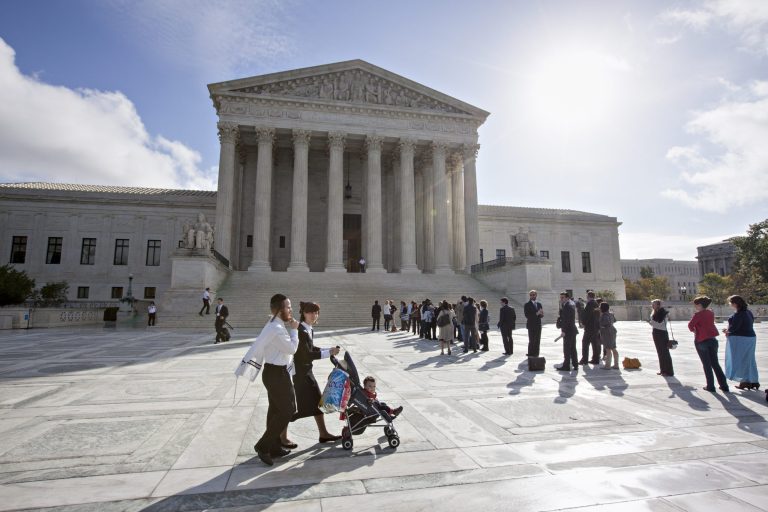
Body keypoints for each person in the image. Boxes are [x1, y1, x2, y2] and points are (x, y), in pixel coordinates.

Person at [281, 301, 342, 448]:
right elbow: (306, 354)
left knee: (317, 402)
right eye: (310, 312)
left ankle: (323, 434)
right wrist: (328, 353)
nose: (314, 315)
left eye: (316, 312)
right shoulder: (301, 330)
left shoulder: (308, 328)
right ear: (304, 313)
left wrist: (329, 349)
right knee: (297, 409)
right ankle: (281, 436)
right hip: (301, 374)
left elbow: (311, 347)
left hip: (307, 371)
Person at [253, 294, 300, 466]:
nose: (291, 310)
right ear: (280, 310)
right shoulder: (277, 329)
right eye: (288, 307)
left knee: (275, 410)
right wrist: (294, 329)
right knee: (288, 410)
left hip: (275, 372)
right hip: (276, 374)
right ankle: (263, 446)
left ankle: (273, 446)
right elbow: (291, 349)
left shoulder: (275, 324)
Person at [688, 296, 729, 393]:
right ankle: (724, 385)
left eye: (696, 305)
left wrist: (695, 331)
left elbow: (690, 325)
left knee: (706, 364)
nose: (695, 307)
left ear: (700, 305)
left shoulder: (698, 314)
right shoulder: (711, 313)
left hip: (701, 340)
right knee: (715, 363)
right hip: (712, 339)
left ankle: (710, 386)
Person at [723, 295, 759, 390]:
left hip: (741, 338)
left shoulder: (739, 314)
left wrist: (727, 331)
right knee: (749, 359)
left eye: (731, 303)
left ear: (735, 303)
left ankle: (744, 381)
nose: (730, 305)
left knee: (740, 360)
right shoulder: (748, 312)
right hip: (751, 337)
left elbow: (735, 328)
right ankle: (754, 380)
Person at [649, 299, 674, 377]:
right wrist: (652, 323)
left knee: (665, 352)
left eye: (654, 304)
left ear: (658, 305)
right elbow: (654, 323)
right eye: (652, 304)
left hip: (662, 333)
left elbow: (660, 324)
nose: (652, 305)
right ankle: (663, 370)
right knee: (660, 352)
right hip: (656, 332)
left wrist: (651, 323)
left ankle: (669, 371)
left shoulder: (663, 313)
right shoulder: (655, 313)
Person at [556, 292, 579, 372]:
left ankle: (566, 366)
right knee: (572, 348)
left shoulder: (567, 306)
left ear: (567, 298)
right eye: (560, 297)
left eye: (562, 297)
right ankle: (575, 365)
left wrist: (564, 331)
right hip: (572, 330)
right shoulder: (568, 305)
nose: (561, 299)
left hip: (568, 331)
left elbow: (567, 320)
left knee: (567, 349)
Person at [579, 291, 601, 365]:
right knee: (594, 343)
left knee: (585, 343)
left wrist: (583, 322)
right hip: (595, 327)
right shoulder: (596, 304)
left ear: (588, 296)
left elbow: (587, 315)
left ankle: (584, 359)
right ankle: (596, 359)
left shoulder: (590, 304)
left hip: (590, 327)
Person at [524, 290, 543, 357]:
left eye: (534, 294)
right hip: (531, 325)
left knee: (537, 340)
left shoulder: (539, 304)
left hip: (538, 324)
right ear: (530, 296)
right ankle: (530, 352)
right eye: (531, 295)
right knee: (531, 340)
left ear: (536, 295)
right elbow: (527, 315)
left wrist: (541, 314)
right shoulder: (527, 305)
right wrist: (536, 314)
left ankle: (536, 353)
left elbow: (541, 316)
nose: (532, 296)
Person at [599, 302, 619, 369]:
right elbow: (615, 320)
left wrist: (601, 325)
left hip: (607, 332)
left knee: (608, 349)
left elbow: (605, 323)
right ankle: (616, 364)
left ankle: (607, 365)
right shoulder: (611, 314)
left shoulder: (604, 315)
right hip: (613, 330)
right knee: (613, 347)